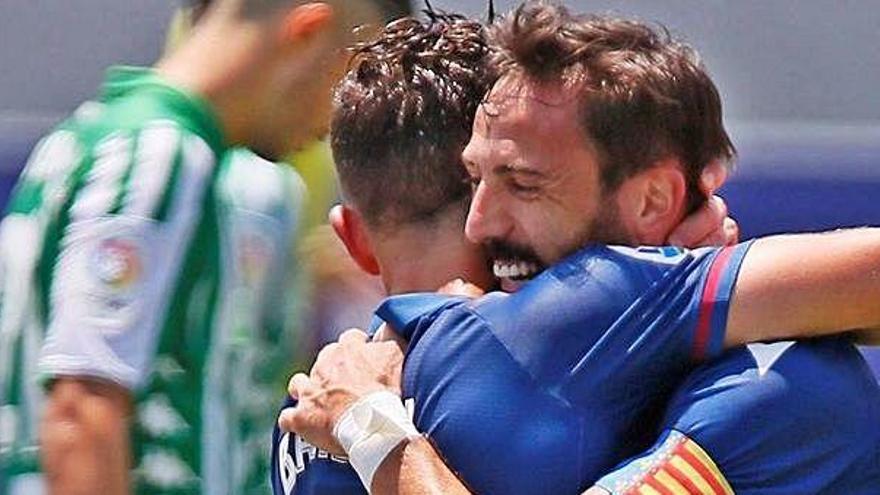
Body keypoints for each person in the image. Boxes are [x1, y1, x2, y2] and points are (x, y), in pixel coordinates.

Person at [275, 3, 880, 494]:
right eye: (476, 182)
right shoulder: (770, 380)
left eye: (522, 184)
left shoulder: (304, 419)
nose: (480, 224)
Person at [0, 1, 406, 494]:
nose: (340, 121)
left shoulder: (97, 137)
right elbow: (82, 412)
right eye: (352, 81)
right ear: (307, 32)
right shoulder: (156, 154)